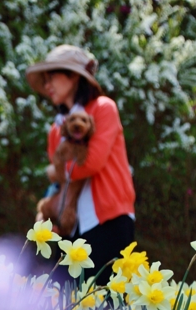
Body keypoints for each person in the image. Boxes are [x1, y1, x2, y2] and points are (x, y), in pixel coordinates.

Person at [25, 45, 135, 283]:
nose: (46, 86)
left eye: (51, 76)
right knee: (67, 308)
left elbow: (91, 163)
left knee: (105, 308)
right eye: (44, 80)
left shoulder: (104, 108)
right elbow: (62, 180)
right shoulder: (56, 129)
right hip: (69, 226)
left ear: (73, 75)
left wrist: (55, 171)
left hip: (109, 220)